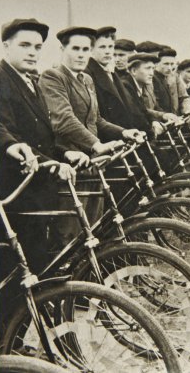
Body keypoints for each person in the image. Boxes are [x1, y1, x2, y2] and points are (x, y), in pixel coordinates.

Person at [0, 18, 79, 281]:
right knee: (16, 272)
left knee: (38, 263)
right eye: (24, 45)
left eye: (37, 46)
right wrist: (14, 146)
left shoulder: (31, 81)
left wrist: (65, 153)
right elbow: (3, 127)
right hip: (15, 188)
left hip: (37, 187)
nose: (33, 52)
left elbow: (44, 136)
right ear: (6, 46)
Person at [39, 26, 143, 229]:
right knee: (73, 229)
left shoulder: (86, 79)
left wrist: (123, 132)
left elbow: (97, 119)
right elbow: (63, 120)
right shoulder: (53, 77)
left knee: (94, 223)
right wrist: (96, 144)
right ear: (62, 50)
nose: (81, 54)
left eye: (86, 49)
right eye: (75, 48)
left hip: (93, 163)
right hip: (71, 163)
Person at [85, 26, 134, 128]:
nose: (107, 51)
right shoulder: (87, 73)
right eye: (102, 47)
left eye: (110, 47)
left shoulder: (111, 72)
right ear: (91, 49)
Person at [153, 48, 177, 113]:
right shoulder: (152, 79)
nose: (169, 68)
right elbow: (154, 105)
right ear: (156, 63)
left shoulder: (165, 78)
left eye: (172, 64)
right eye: (166, 64)